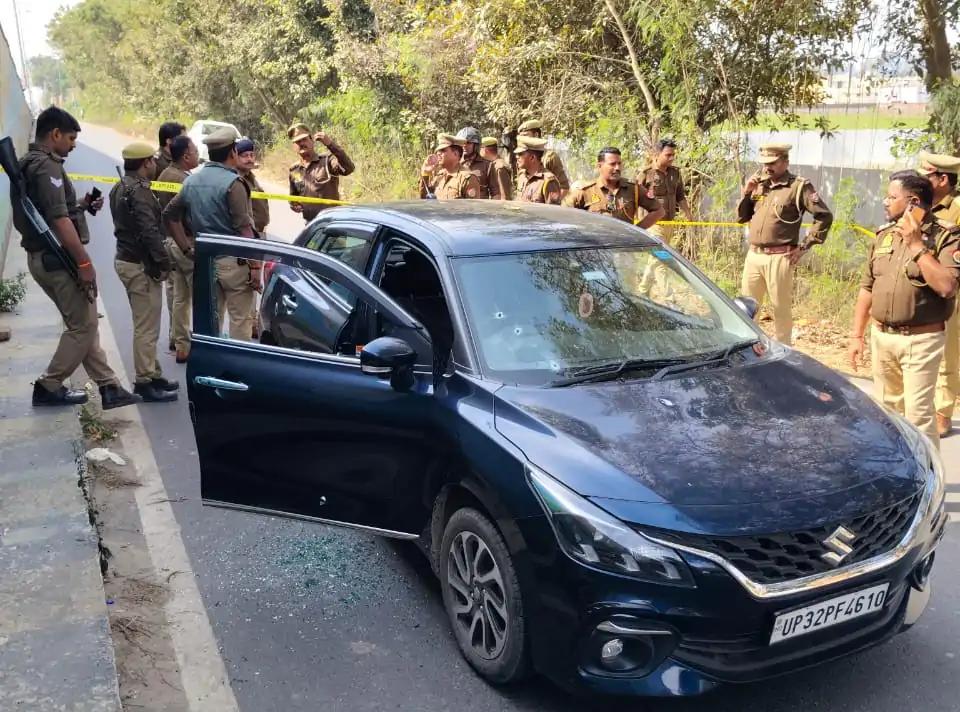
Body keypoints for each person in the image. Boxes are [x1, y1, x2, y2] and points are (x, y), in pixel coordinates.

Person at [10, 106, 139, 409]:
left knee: (85, 323)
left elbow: (46, 211)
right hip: (57, 258)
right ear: (55, 134)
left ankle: (109, 387)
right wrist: (84, 264)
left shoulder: (31, 162)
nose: (73, 145)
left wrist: (80, 205)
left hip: (43, 257)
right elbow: (58, 221)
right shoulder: (47, 167)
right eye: (70, 138)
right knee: (82, 327)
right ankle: (49, 385)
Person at [848, 172, 960, 447]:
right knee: (888, 414)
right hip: (882, 338)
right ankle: (897, 469)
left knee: (918, 418)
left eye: (891, 196)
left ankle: (929, 472)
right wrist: (856, 335)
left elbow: (947, 286)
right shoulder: (884, 235)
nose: (885, 201)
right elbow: (867, 288)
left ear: (913, 202)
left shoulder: (946, 236)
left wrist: (917, 246)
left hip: (921, 341)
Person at [162, 127, 258, 341]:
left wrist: (186, 249)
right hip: (233, 263)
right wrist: (255, 266)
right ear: (233, 152)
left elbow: (169, 215)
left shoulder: (191, 181)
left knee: (211, 321)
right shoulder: (234, 183)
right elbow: (244, 228)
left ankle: (213, 358)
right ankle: (236, 363)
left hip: (205, 261)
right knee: (240, 319)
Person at [736, 143, 833, 345]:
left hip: (780, 256)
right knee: (747, 307)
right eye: (765, 163)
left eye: (772, 163)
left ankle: (784, 349)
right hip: (754, 255)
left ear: (785, 162)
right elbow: (742, 217)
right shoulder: (760, 184)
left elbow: (824, 216)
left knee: (780, 309)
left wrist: (804, 246)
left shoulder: (798, 187)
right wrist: (746, 193)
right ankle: (748, 347)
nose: (767, 167)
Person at [109, 142, 178, 403]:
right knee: (146, 327)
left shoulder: (121, 187)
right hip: (139, 264)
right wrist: (163, 262)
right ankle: (144, 381)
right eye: (152, 160)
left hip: (129, 260)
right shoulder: (138, 191)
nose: (155, 164)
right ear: (146, 162)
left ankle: (153, 373)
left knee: (147, 323)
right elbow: (149, 231)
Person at [918, 153, 960, 436]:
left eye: (927, 177)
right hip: (919, 287)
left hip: (949, 290)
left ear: (943, 179)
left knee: (948, 351)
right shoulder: (920, 205)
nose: (921, 182)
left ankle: (943, 411)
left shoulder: (956, 210)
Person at [156, 135, 200, 363]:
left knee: (180, 296)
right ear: (186, 156)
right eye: (195, 151)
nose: (198, 154)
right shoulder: (183, 180)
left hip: (170, 241)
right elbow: (190, 216)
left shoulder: (165, 174)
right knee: (201, 297)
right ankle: (202, 344)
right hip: (185, 241)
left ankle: (181, 343)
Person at [564, 147, 664, 227]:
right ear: (599, 166)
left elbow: (659, 211)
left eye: (619, 164)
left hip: (623, 244)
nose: (617, 168)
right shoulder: (585, 191)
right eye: (612, 164)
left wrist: (637, 231)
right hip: (596, 244)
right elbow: (563, 214)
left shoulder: (634, 189)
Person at [154, 121, 186, 350]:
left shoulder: (167, 165)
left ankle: (177, 334)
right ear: (169, 142)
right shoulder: (159, 166)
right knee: (176, 288)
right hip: (170, 233)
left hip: (169, 233)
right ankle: (177, 335)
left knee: (176, 288)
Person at [236, 137, 269, 338]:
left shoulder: (251, 177)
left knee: (254, 280)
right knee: (248, 280)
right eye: (244, 155)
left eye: (251, 155)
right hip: (247, 236)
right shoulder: (236, 179)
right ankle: (247, 325)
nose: (249, 159)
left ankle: (253, 321)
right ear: (235, 156)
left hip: (258, 234)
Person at [287, 122, 354, 222]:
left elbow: (348, 168)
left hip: (332, 221)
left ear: (312, 140)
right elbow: (293, 197)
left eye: (304, 139)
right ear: (294, 146)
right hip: (311, 224)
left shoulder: (327, 161)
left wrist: (330, 144)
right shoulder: (294, 170)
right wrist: (294, 205)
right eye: (297, 142)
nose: (301, 143)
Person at [515, 119, 570, 196]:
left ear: (536, 135)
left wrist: (551, 200)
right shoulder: (522, 158)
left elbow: (564, 188)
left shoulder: (550, 157)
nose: (522, 139)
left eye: (525, 135)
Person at [420, 134, 481, 200]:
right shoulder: (440, 176)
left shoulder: (468, 179)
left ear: (455, 154)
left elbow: (472, 205)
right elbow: (424, 198)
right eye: (438, 151)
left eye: (443, 150)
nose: (438, 153)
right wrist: (425, 173)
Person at [514, 137, 562, 204]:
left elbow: (553, 210)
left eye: (520, 154)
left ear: (532, 158)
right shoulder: (522, 176)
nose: (517, 157)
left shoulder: (548, 181)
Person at [455, 127, 498, 199]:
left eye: (468, 143)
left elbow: (496, 193)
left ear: (476, 145)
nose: (464, 146)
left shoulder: (487, 165)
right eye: (462, 143)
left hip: (480, 205)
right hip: (457, 205)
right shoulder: (455, 164)